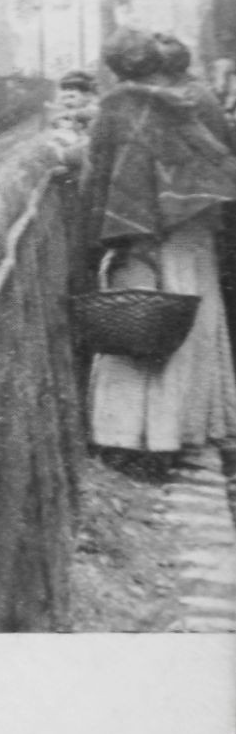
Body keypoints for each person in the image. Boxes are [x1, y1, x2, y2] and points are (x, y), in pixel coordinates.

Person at [83, 29, 236, 473]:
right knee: (191, 323)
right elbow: (220, 157)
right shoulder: (194, 101)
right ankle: (180, 432)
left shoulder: (118, 107)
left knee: (135, 324)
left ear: (114, 69)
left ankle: (129, 437)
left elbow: (99, 175)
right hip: (193, 229)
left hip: (138, 236)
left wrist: (96, 239)